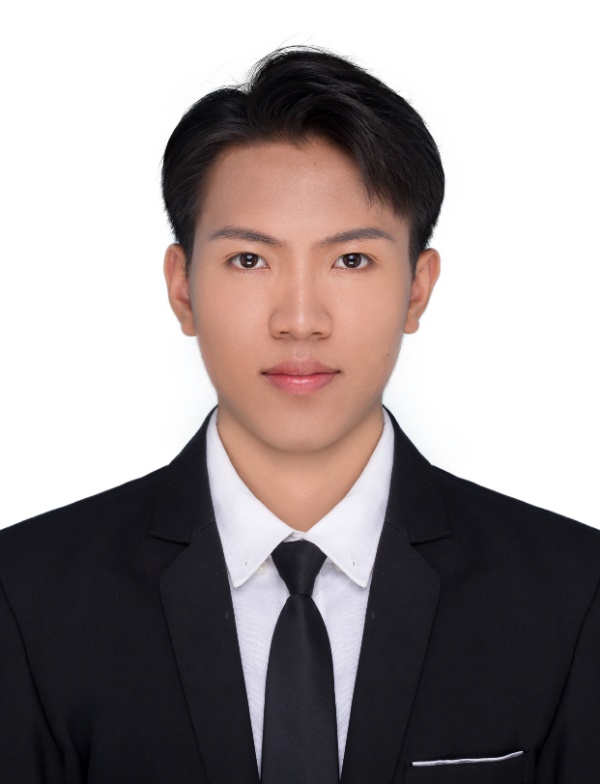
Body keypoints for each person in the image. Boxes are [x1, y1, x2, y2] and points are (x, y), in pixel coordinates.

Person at [0, 46, 599, 784]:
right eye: (250, 260)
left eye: (351, 261)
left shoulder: (573, 594)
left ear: (417, 289)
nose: (301, 320)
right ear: (183, 289)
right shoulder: (27, 596)